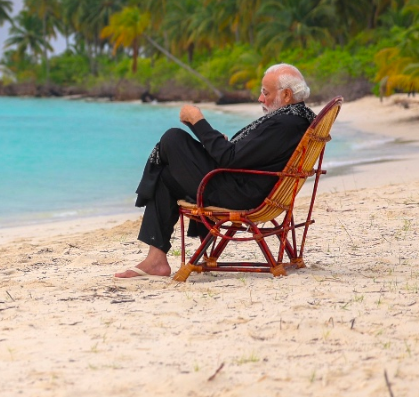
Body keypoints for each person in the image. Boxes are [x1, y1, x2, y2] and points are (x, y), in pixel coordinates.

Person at [114, 63, 316, 279]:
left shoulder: (285, 123)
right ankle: (156, 261)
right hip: (244, 185)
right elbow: (243, 155)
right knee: (165, 176)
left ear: (286, 95)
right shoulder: (296, 118)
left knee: (172, 139)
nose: (260, 98)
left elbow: (230, 158)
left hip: (241, 194)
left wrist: (197, 121)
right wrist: (218, 143)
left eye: (265, 93)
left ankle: (147, 194)